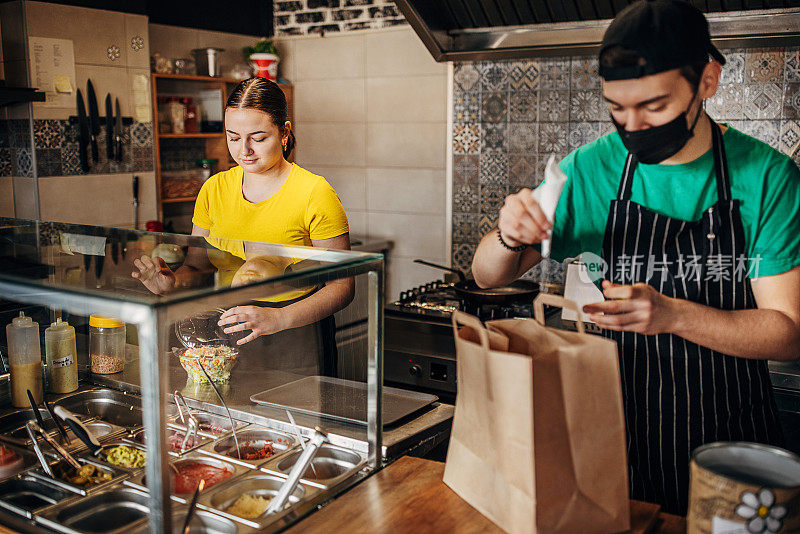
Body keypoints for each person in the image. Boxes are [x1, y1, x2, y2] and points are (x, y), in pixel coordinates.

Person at [471, 0, 800, 515]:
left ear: (707, 82)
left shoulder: (766, 176)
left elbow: (787, 331)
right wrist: (508, 234)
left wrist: (672, 315)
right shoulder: (593, 168)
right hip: (614, 429)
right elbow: (487, 276)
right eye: (617, 108)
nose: (634, 126)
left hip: (726, 440)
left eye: (654, 107)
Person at [132, 77, 353, 376]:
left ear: (284, 132)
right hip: (222, 335)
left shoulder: (315, 192)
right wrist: (171, 284)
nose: (244, 150)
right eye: (233, 137)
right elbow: (198, 268)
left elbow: (342, 286)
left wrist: (277, 319)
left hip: (293, 338)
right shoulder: (214, 188)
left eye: (258, 138)